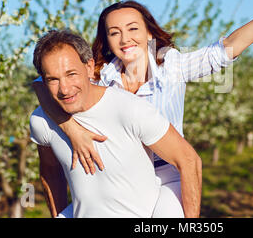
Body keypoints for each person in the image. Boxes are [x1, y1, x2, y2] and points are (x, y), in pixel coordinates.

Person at [32, 0, 253, 217]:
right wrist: (72, 129)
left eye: (133, 29)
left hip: (167, 175)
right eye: (114, 32)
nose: (125, 38)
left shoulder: (172, 66)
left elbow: (228, 48)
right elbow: (43, 87)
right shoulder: (99, 75)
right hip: (122, 181)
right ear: (106, 39)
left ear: (149, 33)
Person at [29, 30, 202, 218]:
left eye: (71, 74)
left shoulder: (129, 108)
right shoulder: (41, 121)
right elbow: (51, 171)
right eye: (53, 79)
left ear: (89, 67)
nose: (64, 89)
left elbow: (189, 160)